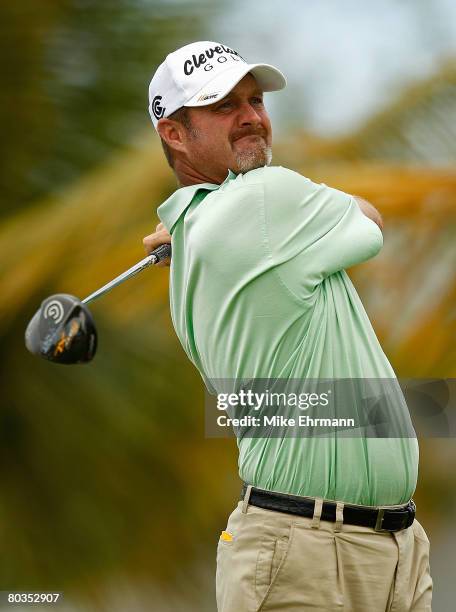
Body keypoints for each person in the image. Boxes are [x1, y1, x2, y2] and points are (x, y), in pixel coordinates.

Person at [143, 41, 433, 611]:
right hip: (306, 551)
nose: (252, 117)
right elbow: (370, 221)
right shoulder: (262, 199)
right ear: (175, 134)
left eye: (255, 100)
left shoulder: (200, 230)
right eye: (223, 105)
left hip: (387, 548)